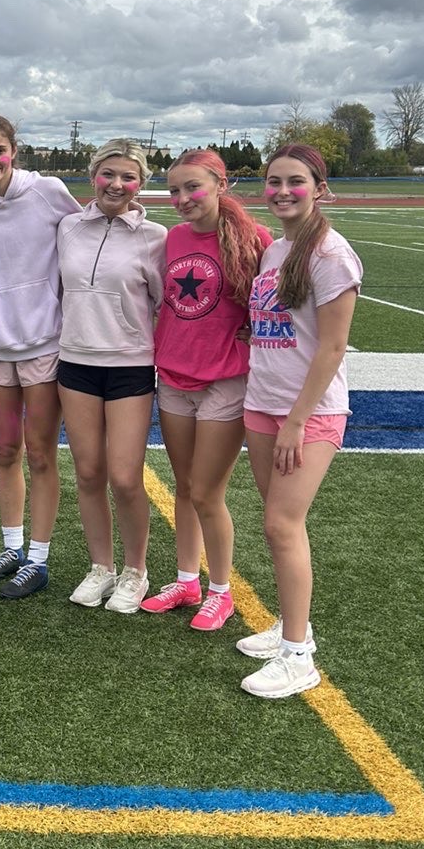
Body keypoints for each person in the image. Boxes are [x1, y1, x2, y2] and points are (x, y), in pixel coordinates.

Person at [236, 144, 361, 699]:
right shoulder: (276, 251)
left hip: (305, 413)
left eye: (295, 182)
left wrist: (296, 421)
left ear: (319, 187)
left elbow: (333, 348)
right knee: (278, 522)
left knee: (281, 526)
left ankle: (298, 656)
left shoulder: (331, 255)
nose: (282, 191)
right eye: (273, 182)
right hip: (262, 400)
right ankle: (294, 626)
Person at [141, 150, 272, 631]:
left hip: (224, 381)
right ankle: (186, 580)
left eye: (192, 187)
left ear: (220, 184)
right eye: (174, 190)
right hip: (173, 375)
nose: (181, 199)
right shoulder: (173, 238)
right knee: (184, 487)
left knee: (207, 492)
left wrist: (249, 339)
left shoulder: (253, 238)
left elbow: (273, 308)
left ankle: (221, 591)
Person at [0, 114, 81, 599]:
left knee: (42, 454)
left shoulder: (46, 190)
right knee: (7, 452)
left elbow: (84, 235)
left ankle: (39, 558)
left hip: (45, 343)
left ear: (14, 150)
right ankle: (11, 547)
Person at [57, 139, 165, 614]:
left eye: (128, 177)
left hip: (129, 366)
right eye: (108, 174)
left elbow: (166, 305)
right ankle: (100, 566)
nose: (117, 185)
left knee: (124, 477)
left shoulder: (154, 237)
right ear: (93, 175)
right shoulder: (68, 227)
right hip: (75, 362)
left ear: (140, 184)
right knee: (88, 473)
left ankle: (135, 570)